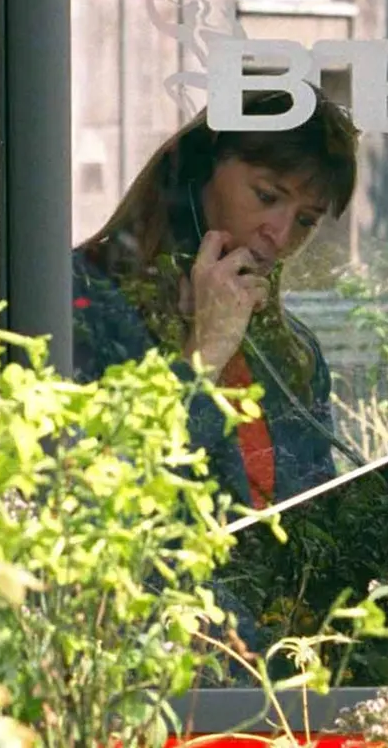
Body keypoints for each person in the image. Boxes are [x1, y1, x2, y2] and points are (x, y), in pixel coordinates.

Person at [73, 90, 360, 513]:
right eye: (266, 196)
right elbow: (99, 498)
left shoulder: (293, 353)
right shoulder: (81, 300)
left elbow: (319, 520)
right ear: (198, 171)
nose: (280, 237)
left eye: (305, 221)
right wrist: (205, 353)